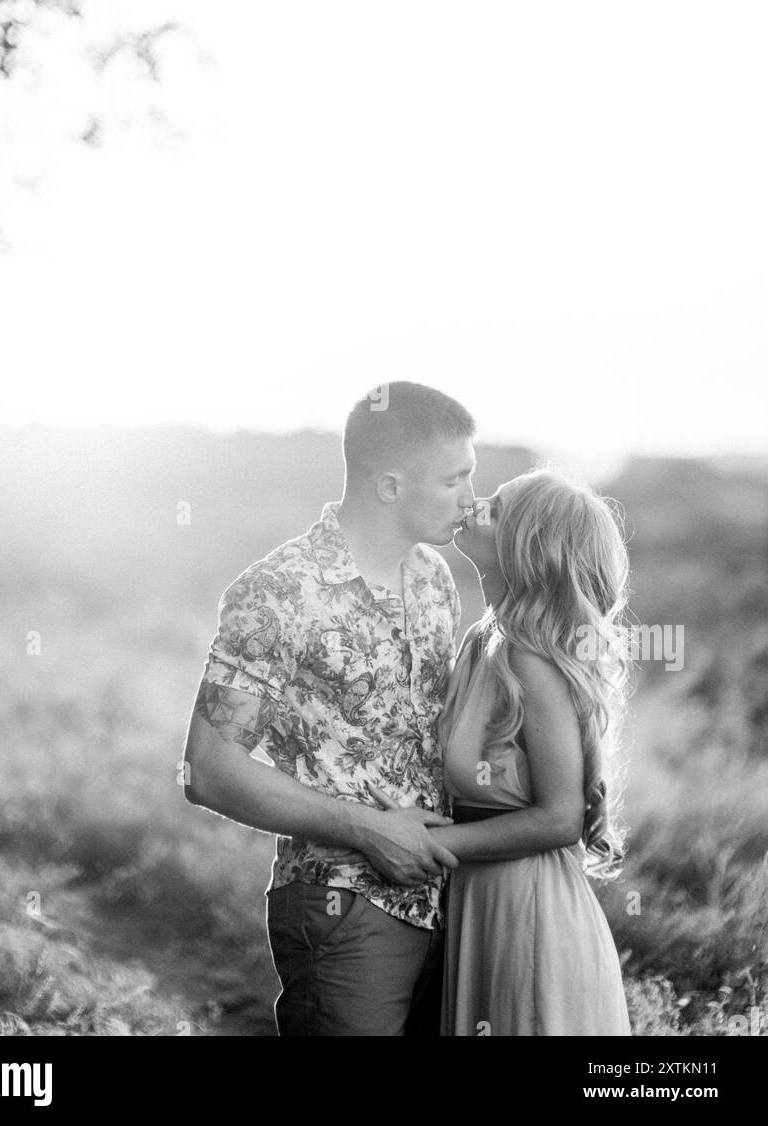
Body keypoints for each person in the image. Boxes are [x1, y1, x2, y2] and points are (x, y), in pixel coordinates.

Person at [181, 381, 480, 1036]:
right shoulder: (279, 592)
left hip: (446, 904)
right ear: (391, 486)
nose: (470, 499)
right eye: (454, 481)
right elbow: (207, 769)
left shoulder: (432, 580)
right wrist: (367, 829)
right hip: (343, 904)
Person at [372, 469, 632, 1036]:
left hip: (529, 913)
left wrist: (421, 844)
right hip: (480, 900)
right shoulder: (481, 639)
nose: (474, 503)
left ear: (530, 545)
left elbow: (561, 818)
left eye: (497, 506)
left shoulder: (528, 659)